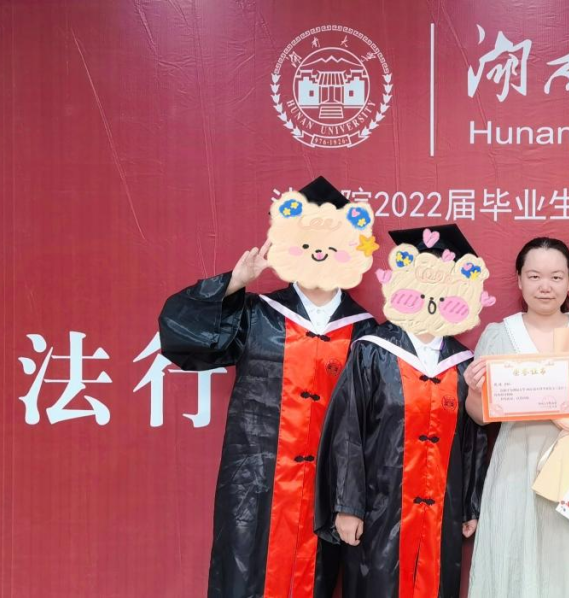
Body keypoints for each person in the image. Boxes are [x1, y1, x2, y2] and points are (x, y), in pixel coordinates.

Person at [158, 177, 377, 598]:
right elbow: (180, 334)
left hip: (327, 489)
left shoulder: (366, 332)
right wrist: (234, 283)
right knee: (247, 576)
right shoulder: (257, 313)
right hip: (255, 483)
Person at [316, 225, 490, 598]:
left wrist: (470, 504)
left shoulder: (462, 363)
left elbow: (472, 441)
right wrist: (347, 506)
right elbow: (347, 431)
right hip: (379, 512)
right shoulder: (372, 350)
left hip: (440, 514)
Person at [465, 237, 569, 598]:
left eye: (556, 276)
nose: (545, 286)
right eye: (534, 276)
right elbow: (480, 417)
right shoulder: (498, 335)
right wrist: (474, 391)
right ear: (519, 280)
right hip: (515, 467)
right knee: (513, 558)